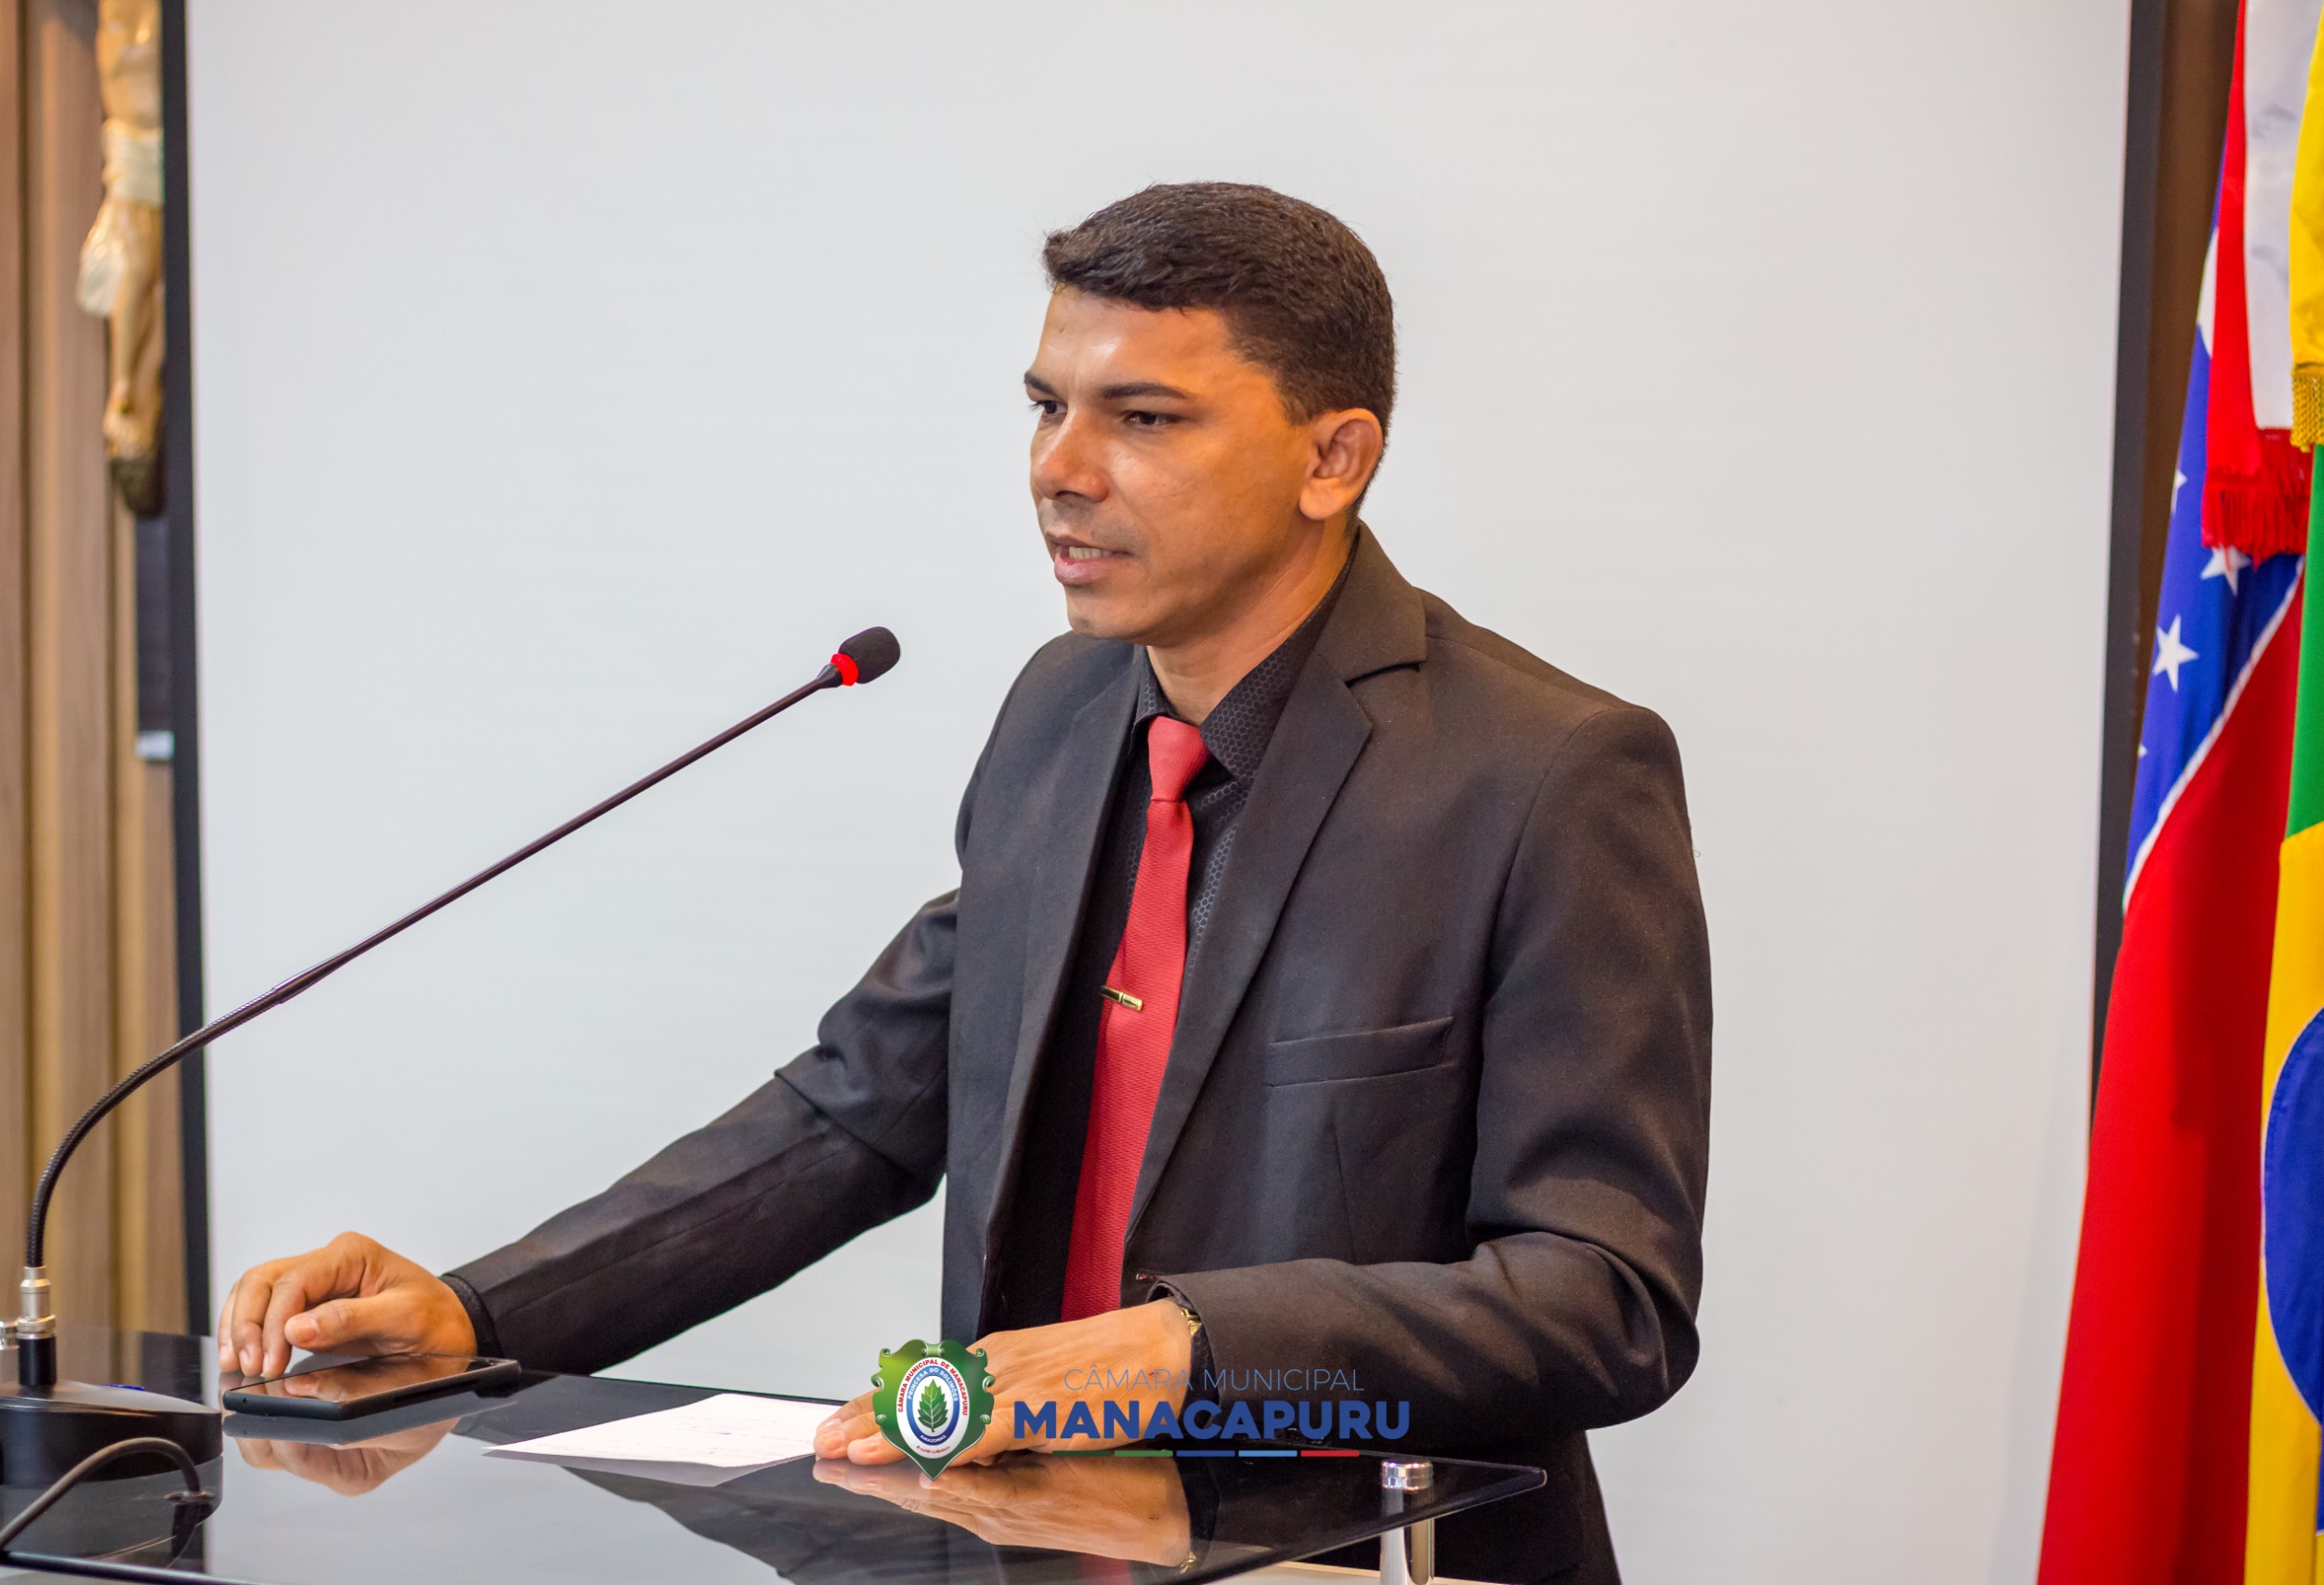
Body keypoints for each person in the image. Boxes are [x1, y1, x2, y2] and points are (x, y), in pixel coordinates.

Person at [216, 182, 1711, 1584]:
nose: (1060, 467)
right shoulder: (1062, 715)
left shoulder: (1547, 772)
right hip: (1025, 1544)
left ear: (1335, 457)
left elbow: (1607, 1297)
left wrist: (1184, 1350)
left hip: (1361, 1558)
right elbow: (857, 1110)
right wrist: (479, 1311)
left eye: (1144, 416)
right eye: (1049, 405)